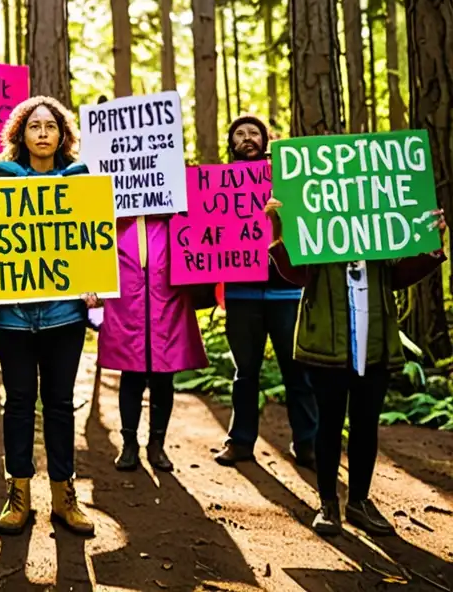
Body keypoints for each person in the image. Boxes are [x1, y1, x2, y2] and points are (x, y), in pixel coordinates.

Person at [268, 199, 446, 536]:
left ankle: (359, 502)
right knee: (329, 424)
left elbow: (399, 275)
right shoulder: (316, 228)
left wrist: (431, 245)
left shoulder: (382, 233)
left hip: (375, 344)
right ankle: (328, 504)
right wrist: (281, 228)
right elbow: (296, 273)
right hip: (327, 346)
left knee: (366, 424)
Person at [0, 96, 96, 537]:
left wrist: (93, 281)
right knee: (19, 403)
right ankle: (19, 494)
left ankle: (64, 497)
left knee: (61, 404)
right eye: (35, 126)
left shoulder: (80, 180)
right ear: (21, 135)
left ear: (63, 135)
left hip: (64, 314)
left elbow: (91, 239)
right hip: (11, 317)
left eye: (51, 126)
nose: (43, 132)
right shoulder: (1, 177)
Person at [215, 115, 318, 468]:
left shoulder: (286, 181)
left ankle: (308, 443)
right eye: (239, 134)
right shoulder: (215, 187)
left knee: (298, 372)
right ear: (231, 143)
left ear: (265, 139)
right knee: (245, 373)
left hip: (286, 292)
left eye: (253, 133)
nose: (247, 138)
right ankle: (240, 442)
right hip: (241, 295)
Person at [99, 215, 208, 474]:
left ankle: (157, 444)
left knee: (163, 376)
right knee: (131, 374)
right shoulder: (116, 214)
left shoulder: (174, 213)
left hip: (168, 297)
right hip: (127, 300)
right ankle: (129, 444)